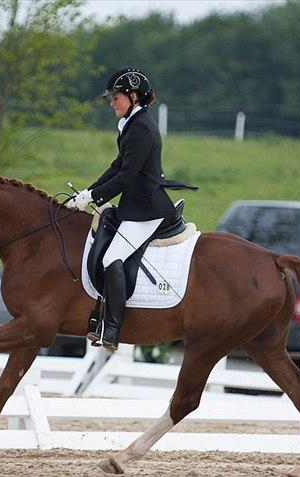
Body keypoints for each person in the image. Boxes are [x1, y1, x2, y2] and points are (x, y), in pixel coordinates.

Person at [66, 67, 195, 350]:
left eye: (116, 97)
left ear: (133, 96)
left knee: (112, 258)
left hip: (147, 210)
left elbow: (127, 177)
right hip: (133, 207)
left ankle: (111, 329)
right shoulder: (132, 124)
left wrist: (95, 198)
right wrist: (89, 192)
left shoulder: (142, 128)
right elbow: (116, 166)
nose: (112, 103)